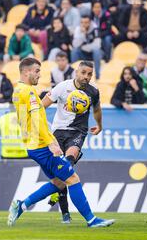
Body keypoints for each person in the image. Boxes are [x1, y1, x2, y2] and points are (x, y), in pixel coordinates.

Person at [8, 57, 114, 228]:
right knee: (72, 178)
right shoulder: (29, 92)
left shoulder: (17, 90)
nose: (39, 75)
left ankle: (21, 206)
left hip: (33, 145)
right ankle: (91, 220)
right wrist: (51, 142)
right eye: (36, 71)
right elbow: (37, 120)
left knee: (59, 182)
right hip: (42, 145)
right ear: (26, 72)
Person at [41, 60, 102, 223]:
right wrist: (40, 127)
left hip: (78, 132)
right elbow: (42, 106)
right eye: (84, 73)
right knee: (63, 175)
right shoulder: (62, 87)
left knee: (68, 163)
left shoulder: (93, 92)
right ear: (77, 72)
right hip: (58, 132)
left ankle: (62, 202)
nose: (86, 77)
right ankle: (65, 214)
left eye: (90, 74)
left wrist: (100, 125)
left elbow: (97, 110)